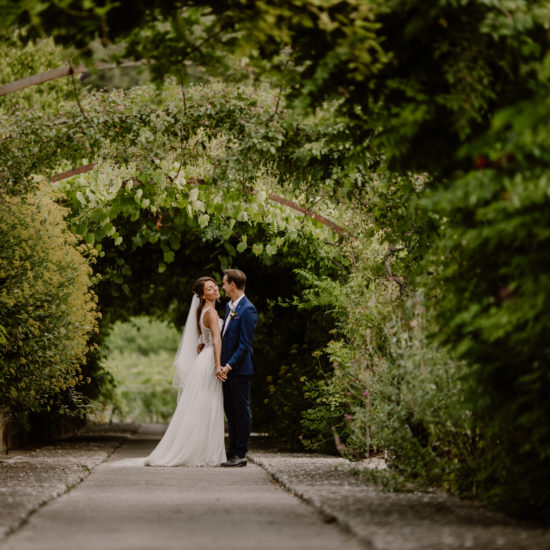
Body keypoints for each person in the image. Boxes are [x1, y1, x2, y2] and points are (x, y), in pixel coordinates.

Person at [131, 277, 226, 467]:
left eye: (215, 285)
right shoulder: (211, 313)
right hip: (209, 363)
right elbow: (216, 340)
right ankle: (204, 453)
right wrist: (218, 366)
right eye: (210, 287)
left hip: (203, 359)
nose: (215, 288)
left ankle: (203, 451)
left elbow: (204, 338)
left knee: (203, 406)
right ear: (201, 295)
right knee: (209, 405)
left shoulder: (204, 311)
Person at [217, 269, 258, 467]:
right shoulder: (229, 307)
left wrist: (229, 366)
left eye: (224, 283)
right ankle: (231, 450)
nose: (222, 287)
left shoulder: (248, 309)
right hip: (226, 370)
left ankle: (241, 454)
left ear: (232, 285)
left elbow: (245, 345)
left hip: (239, 370)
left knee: (242, 411)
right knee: (230, 412)